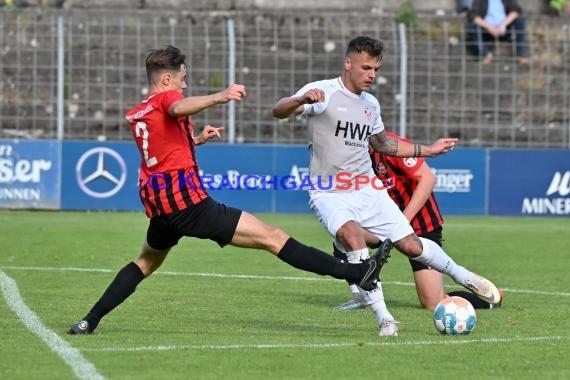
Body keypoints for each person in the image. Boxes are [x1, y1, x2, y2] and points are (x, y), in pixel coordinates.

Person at [67, 45, 388, 335]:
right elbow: (179, 108)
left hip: (161, 207)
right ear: (165, 80)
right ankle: (357, 271)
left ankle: (89, 320)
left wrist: (197, 140)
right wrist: (220, 96)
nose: (184, 85)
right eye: (182, 79)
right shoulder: (168, 99)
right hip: (188, 205)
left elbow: (161, 149)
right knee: (273, 238)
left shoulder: (140, 111)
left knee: (146, 262)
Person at [272, 36, 501, 336]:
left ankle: (463, 275)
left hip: (367, 189)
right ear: (348, 63)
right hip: (328, 191)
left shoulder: (370, 104)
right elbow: (279, 110)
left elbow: (383, 144)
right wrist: (301, 100)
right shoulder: (323, 92)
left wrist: (427, 151)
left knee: (411, 245)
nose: (371, 75)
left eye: (376, 69)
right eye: (366, 67)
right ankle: (385, 319)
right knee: (351, 236)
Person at [334, 131, 503, 311]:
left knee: (432, 303)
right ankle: (362, 296)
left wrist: (401, 222)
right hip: (383, 223)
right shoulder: (351, 157)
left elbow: (428, 179)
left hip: (421, 225)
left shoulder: (391, 145)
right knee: (343, 231)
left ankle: (491, 298)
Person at [466, 0, 529, 64]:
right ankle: (485, 55)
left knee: (520, 21)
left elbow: (516, 11)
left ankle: (520, 55)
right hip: (486, 30)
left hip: (505, 29)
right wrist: (489, 28)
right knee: (471, 26)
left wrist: (503, 25)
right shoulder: (480, 1)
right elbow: (473, 16)